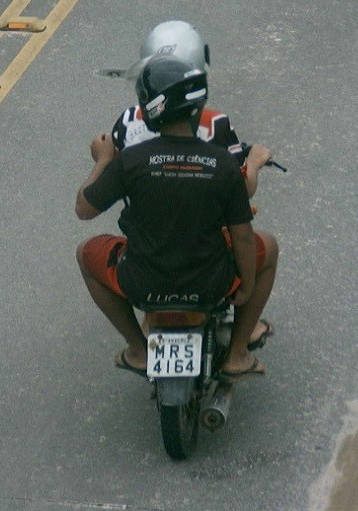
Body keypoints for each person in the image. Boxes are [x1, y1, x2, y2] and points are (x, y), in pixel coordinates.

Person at [76, 55, 278, 379]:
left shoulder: (130, 161)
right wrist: (245, 287)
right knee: (269, 245)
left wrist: (102, 159)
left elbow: (83, 209)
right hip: (213, 285)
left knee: (85, 254)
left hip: (142, 285)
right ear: (198, 109)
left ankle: (139, 351)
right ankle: (238, 354)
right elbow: (241, 236)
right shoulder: (222, 165)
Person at [110, 20, 275, 345]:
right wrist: (254, 162)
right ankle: (240, 347)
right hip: (203, 257)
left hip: (146, 251)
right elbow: (243, 190)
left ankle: (146, 328)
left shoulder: (126, 124)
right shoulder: (214, 125)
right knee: (261, 246)